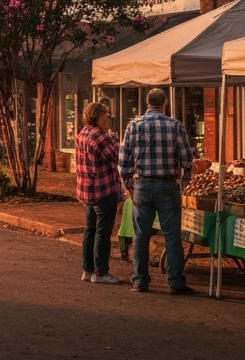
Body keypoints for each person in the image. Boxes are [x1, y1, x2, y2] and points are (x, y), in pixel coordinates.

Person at [119, 87, 196, 295]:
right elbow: (187, 161)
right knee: (172, 236)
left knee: (141, 236)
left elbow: (124, 163)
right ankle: (175, 282)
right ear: (164, 104)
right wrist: (183, 184)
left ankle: (140, 280)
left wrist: (129, 187)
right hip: (167, 185)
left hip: (142, 184)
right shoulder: (175, 126)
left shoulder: (133, 126)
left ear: (147, 103)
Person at [76, 98, 122, 285]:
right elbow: (116, 153)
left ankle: (87, 269)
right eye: (106, 114)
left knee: (90, 230)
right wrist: (113, 138)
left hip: (87, 189)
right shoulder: (99, 136)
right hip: (103, 189)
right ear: (99, 116)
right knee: (103, 233)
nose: (108, 118)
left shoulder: (82, 133)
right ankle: (100, 272)